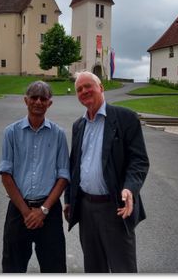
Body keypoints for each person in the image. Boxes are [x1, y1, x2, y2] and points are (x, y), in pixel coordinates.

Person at [64, 71, 150, 273]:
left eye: (88, 86)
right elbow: (74, 166)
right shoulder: (79, 125)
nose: (84, 91)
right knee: (94, 268)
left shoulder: (125, 118)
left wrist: (130, 189)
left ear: (101, 87)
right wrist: (69, 199)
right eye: (79, 89)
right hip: (86, 209)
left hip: (115, 208)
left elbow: (139, 160)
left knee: (123, 268)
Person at [0, 81, 70, 273]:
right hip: (19, 209)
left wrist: (43, 210)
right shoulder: (11, 133)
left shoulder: (58, 135)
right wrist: (26, 212)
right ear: (26, 100)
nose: (38, 102)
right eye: (34, 97)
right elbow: (6, 175)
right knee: (13, 267)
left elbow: (63, 176)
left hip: (49, 213)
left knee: (54, 268)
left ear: (49, 103)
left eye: (43, 98)